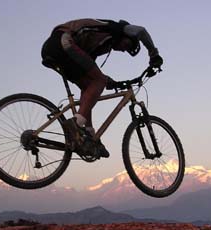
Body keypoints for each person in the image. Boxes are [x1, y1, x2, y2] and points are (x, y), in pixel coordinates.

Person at [41, 18, 163, 158]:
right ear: (126, 36)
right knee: (99, 81)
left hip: (54, 48)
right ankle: (76, 123)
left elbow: (90, 67)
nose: (124, 50)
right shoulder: (117, 28)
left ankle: (90, 136)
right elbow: (141, 31)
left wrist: (108, 81)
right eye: (128, 45)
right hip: (63, 41)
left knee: (89, 85)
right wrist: (154, 54)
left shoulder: (99, 43)